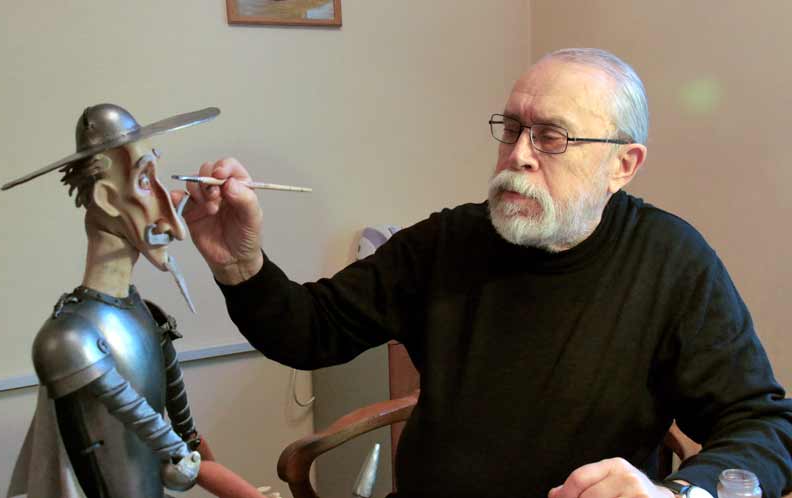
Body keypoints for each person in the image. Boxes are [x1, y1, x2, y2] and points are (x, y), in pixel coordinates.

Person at [177, 48, 792, 498]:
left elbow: (762, 424)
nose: (518, 154)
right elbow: (309, 332)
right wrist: (240, 263)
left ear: (622, 165)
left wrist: (679, 493)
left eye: (551, 137)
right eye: (513, 128)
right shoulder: (449, 241)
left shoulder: (672, 260)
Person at [4, 104, 214, 498]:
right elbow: (176, 457)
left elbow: (187, 447)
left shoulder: (148, 316)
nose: (174, 222)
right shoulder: (68, 340)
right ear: (106, 199)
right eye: (145, 180)